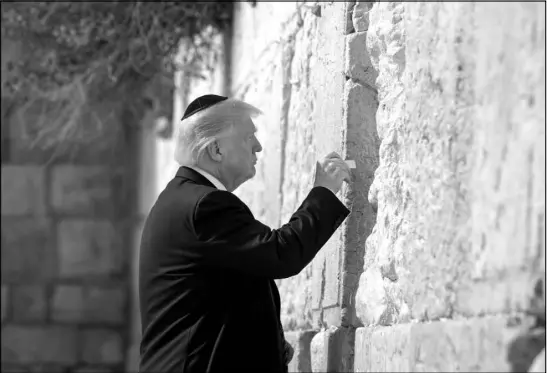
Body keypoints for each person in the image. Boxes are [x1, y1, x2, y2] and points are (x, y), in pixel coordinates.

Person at [138, 94, 352, 373]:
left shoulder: (181, 200)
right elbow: (280, 253)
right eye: (247, 137)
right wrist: (323, 193)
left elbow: (220, 296)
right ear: (216, 150)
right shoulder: (205, 205)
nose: (258, 146)